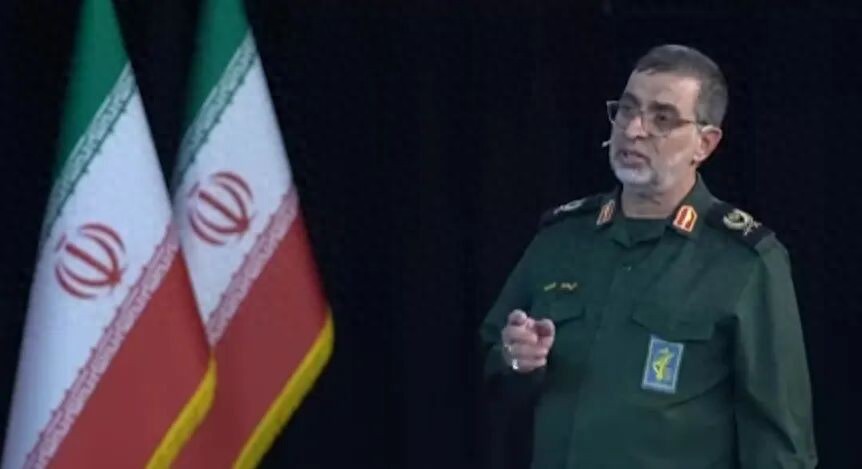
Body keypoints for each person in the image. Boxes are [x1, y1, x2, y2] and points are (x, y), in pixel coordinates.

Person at [478, 44, 818, 468]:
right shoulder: (562, 239)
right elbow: (495, 364)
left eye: (662, 119)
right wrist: (517, 360)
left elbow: (779, 441)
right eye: (627, 109)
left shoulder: (744, 261)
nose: (634, 130)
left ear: (704, 144)